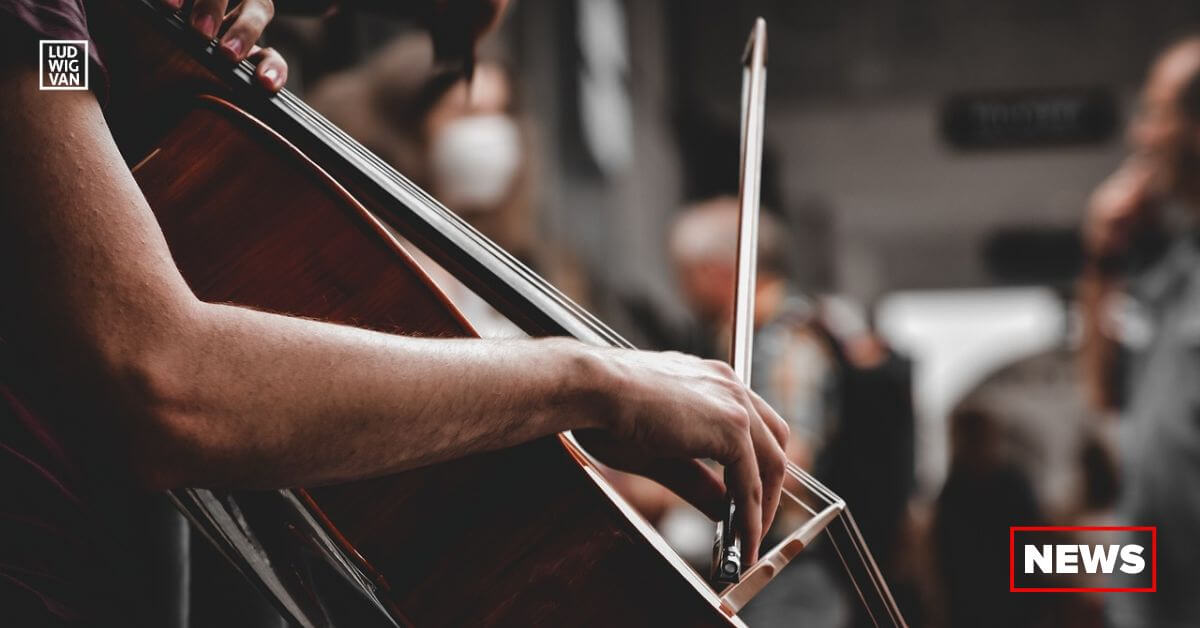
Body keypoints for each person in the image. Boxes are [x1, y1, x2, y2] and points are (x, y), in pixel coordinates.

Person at [0, 0, 790, 624]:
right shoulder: (40, 30)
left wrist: (144, 62)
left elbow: (59, 68)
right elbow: (167, 386)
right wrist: (587, 378)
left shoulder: (57, 41)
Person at [1080, 35, 1200, 628]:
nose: (1141, 136)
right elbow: (1103, 389)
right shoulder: (1173, 269)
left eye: (1157, 114)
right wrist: (1105, 259)